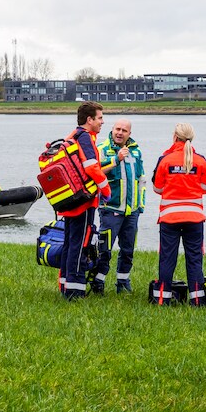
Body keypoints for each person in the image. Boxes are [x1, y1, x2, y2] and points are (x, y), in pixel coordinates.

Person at [151, 122, 206, 306]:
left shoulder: (165, 159)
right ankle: (197, 300)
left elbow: (157, 188)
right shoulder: (200, 160)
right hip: (194, 218)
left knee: (167, 258)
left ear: (174, 136)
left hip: (170, 218)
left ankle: (163, 299)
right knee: (194, 258)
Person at [57, 101, 111, 301]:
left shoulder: (72, 136)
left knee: (70, 242)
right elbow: (91, 167)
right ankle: (75, 291)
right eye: (100, 118)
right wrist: (106, 188)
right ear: (89, 120)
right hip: (83, 200)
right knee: (80, 244)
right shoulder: (86, 138)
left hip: (70, 198)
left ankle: (65, 285)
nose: (102, 122)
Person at [88, 118, 145, 293]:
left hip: (132, 211)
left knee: (128, 249)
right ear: (112, 130)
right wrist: (116, 159)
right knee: (104, 249)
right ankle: (98, 281)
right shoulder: (102, 149)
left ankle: (123, 282)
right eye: (117, 129)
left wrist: (140, 205)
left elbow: (141, 179)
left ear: (129, 134)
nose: (120, 133)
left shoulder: (136, 151)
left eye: (124, 130)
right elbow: (95, 171)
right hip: (110, 208)